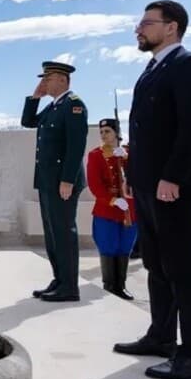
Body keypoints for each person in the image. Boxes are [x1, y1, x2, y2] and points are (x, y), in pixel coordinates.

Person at [116, 0, 191, 379]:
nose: (139, 30)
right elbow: (144, 131)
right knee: (156, 265)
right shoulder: (151, 70)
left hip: (172, 187)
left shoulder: (189, 65)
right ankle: (161, 336)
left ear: (171, 27)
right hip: (145, 184)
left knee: (181, 266)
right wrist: (133, 173)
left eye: (146, 23)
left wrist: (171, 177)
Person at [20, 60, 88, 302]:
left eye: (47, 79)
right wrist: (35, 97)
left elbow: (76, 146)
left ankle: (70, 286)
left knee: (63, 232)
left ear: (62, 79)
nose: (43, 83)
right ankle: (60, 279)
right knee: (52, 233)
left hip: (62, 181)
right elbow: (28, 122)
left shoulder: (73, 105)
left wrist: (68, 180)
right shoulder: (53, 108)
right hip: (48, 181)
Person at [85, 118, 137, 300]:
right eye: (101, 132)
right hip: (107, 209)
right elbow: (95, 185)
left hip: (128, 210)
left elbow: (138, 177)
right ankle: (109, 286)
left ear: (116, 133)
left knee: (125, 246)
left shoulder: (127, 154)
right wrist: (112, 200)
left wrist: (127, 159)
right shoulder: (95, 155)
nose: (104, 135)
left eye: (107, 131)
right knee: (108, 246)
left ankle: (121, 285)